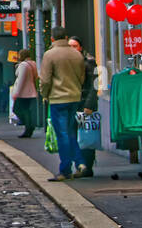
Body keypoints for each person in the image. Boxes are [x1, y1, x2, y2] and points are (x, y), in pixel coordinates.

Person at [40, 25, 87, 181]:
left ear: (52, 38)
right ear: (66, 38)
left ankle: (65, 169)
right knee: (71, 132)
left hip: (58, 98)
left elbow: (45, 80)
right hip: (74, 97)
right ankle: (80, 162)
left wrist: (44, 94)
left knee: (62, 135)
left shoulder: (50, 55)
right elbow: (82, 77)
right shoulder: (76, 55)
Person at [69, 38, 99, 178]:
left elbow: (95, 85)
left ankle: (87, 167)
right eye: (70, 46)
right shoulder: (67, 62)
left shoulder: (89, 63)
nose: (72, 48)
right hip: (71, 104)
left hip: (84, 105)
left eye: (75, 46)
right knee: (74, 136)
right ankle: (79, 166)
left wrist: (89, 104)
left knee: (86, 136)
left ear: (80, 47)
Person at [11, 47, 40, 138]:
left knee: (17, 109)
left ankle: (29, 126)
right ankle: (29, 127)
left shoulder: (23, 65)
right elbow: (36, 76)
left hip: (23, 93)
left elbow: (20, 80)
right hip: (31, 91)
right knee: (27, 110)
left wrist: (16, 93)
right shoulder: (33, 64)